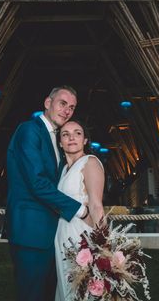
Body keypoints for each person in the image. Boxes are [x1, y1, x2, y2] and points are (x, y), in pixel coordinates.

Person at [5, 86, 89, 301]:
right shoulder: (29, 130)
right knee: (32, 294)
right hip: (31, 232)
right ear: (47, 102)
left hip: (50, 233)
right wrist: (79, 210)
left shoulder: (55, 138)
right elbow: (37, 182)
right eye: (62, 103)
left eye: (71, 107)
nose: (67, 110)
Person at [54, 120, 105, 301]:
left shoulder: (89, 162)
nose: (71, 138)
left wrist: (102, 247)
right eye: (65, 134)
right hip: (63, 237)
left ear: (85, 140)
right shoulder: (63, 169)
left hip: (81, 237)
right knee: (68, 289)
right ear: (60, 142)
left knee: (83, 291)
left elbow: (96, 205)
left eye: (77, 133)